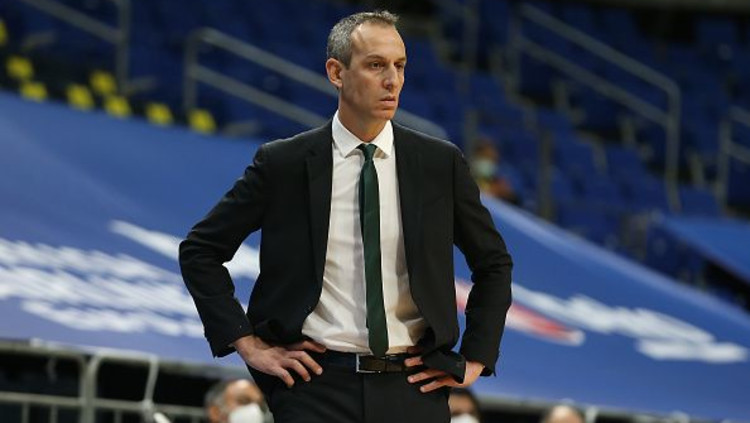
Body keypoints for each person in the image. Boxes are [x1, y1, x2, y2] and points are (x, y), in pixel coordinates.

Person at [179, 10, 513, 423]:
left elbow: (493, 263)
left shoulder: (439, 164)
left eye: (400, 66)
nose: (392, 80)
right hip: (314, 386)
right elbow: (200, 251)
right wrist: (246, 342)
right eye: (376, 65)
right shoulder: (284, 163)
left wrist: (477, 357)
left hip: (414, 385)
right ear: (336, 72)